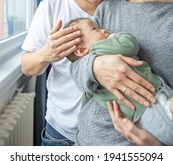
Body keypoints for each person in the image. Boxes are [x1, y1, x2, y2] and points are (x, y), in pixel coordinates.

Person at [70, 0, 173, 146]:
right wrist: (95, 66)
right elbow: (76, 70)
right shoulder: (107, 9)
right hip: (84, 142)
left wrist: (158, 149)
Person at [21, 0, 118, 146]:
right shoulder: (50, 8)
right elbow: (27, 67)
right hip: (61, 134)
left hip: (110, 137)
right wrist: (46, 53)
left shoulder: (122, 8)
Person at [65, 17, 173, 145]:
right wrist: (116, 36)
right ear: (82, 50)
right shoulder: (104, 48)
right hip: (151, 106)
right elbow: (129, 45)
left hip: (141, 120)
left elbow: (86, 98)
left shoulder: (95, 62)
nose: (104, 30)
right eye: (95, 29)